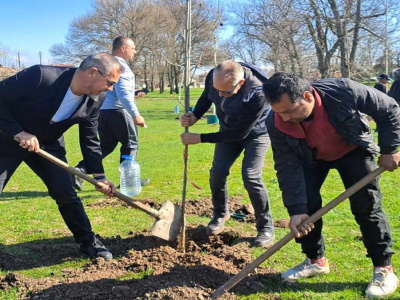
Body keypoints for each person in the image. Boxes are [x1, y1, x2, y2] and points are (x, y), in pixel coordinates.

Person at [262, 72, 400, 298]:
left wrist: (390, 149)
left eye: (289, 111)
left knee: (366, 207)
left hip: (353, 149)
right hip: (311, 157)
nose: (284, 119)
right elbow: (286, 166)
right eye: (278, 113)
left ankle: (383, 268)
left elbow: (389, 109)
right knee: (306, 208)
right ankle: (316, 260)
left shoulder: (343, 90)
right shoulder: (276, 121)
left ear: (307, 96)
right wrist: (296, 209)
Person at [0, 53, 122, 260]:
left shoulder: (96, 98)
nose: (110, 89)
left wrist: (99, 176)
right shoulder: (41, 76)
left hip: (48, 144)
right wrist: (18, 132)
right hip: (7, 140)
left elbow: (90, 138)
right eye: (110, 82)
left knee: (66, 193)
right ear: (93, 73)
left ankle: (88, 241)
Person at [180, 60, 274, 247]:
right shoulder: (215, 76)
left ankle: (265, 227)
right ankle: (220, 214)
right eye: (218, 90)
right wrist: (195, 115)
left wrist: (200, 138)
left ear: (240, 84)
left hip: (256, 133)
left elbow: (239, 133)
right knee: (218, 172)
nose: (221, 95)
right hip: (227, 128)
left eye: (226, 92)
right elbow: (208, 96)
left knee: (251, 176)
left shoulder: (259, 92)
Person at [72, 36, 150, 191]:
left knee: (106, 145)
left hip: (102, 111)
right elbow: (122, 93)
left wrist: (134, 93)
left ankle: (79, 171)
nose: (135, 51)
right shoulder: (120, 67)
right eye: (132, 48)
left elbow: (114, 90)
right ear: (123, 48)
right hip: (118, 111)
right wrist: (135, 114)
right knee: (130, 144)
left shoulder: (106, 64)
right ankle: (128, 181)